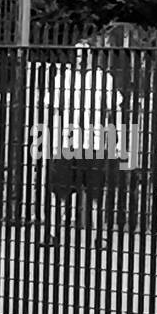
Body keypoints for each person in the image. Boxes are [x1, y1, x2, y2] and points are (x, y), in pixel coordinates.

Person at [36, 40, 126, 247]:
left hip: (93, 142)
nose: (79, 59)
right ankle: (53, 233)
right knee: (59, 190)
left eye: (83, 54)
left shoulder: (104, 80)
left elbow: (115, 111)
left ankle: (99, 235)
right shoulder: (63, 78)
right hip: (67, 142)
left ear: (91, 56)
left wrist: (117, 140)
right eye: (76, 54)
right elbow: (55, 111)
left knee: (95, 192)